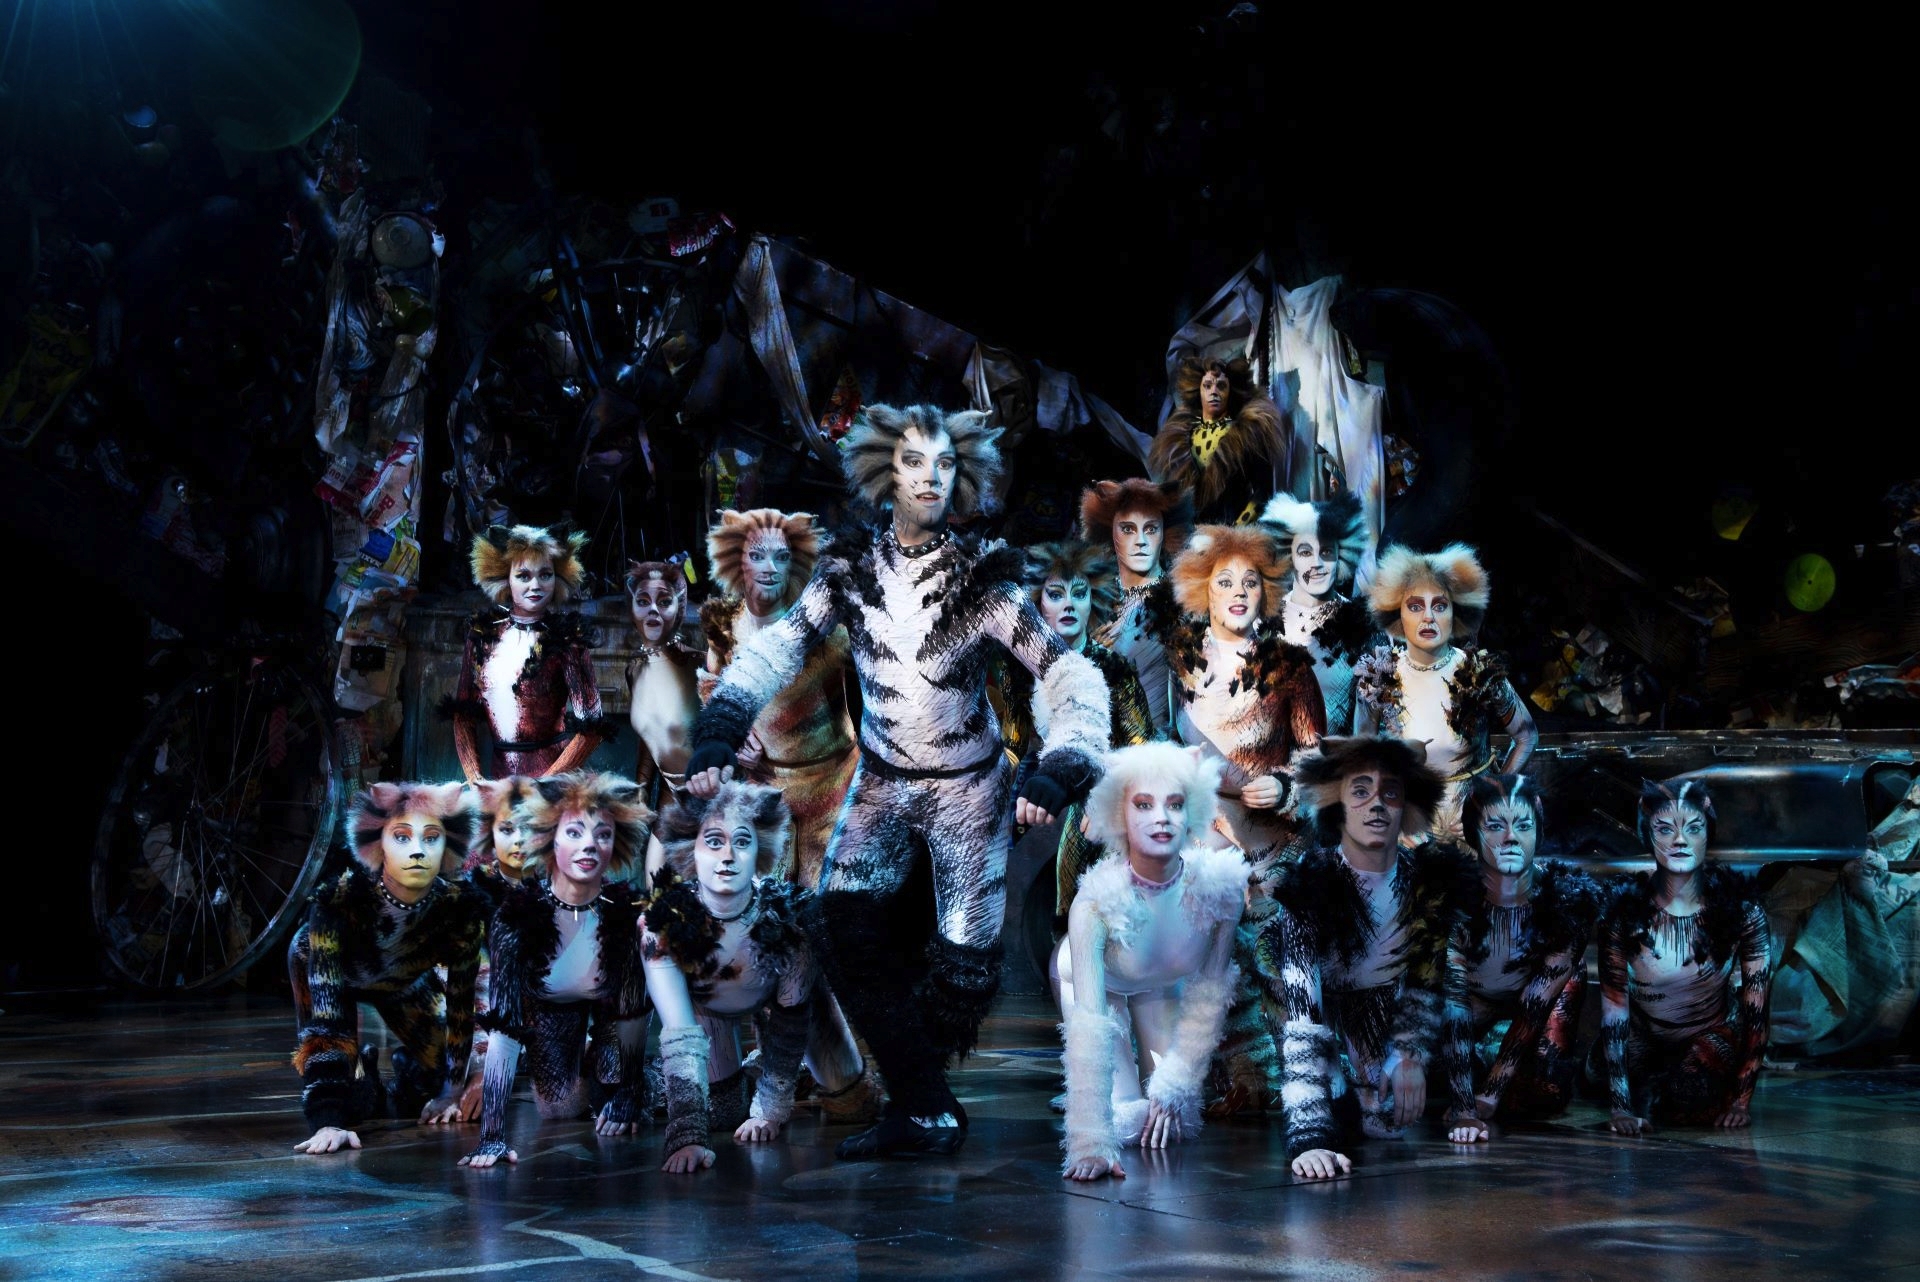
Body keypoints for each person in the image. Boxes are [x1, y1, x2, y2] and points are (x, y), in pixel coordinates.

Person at [685, 402, 1111, 1159]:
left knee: (963, 972)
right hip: (882, 784)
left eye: (945, 464)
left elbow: (1066, 671)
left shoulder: (984, 581)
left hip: (969, 792)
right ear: (887, 471)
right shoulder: (849, 571)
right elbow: (781, 646)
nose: (930, 478)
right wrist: (722, 721)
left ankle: (921, 1103)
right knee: (835, 921)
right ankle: (924, 1105)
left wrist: (1066, 760)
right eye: (915, 462)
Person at [1254, 736, 1476, 1180]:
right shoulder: (1309, 887)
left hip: (1378, 1008)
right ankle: (1327, 1099)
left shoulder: (1428, 882)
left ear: (1407, 805)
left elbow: (1425, 982)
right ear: (1337, 802)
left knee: (1387, 1123)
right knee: (1333, 1117)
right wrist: (1309, 1134)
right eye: (1360, 790)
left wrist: (1408, 1055)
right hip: (1315, 1013)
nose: (1376, 804)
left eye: (1390, 792)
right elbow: (1301, 1014)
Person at [640, 781, 878, 1173]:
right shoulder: (662, 928)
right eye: (714, 842)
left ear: (760, 850)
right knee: (722, 1114)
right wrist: (687, 1135)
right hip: (709, 1010)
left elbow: (790, 1018)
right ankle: (746, 1071)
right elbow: (680, 1031)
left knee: (855, 1105)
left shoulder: (789, 919)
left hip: (789, 1004)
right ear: (691, 848)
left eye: (742, 842)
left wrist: (771, 1109)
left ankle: (782, 1073)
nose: (728, 856)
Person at [1057, 743, 1247, 1181]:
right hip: (1095, 987)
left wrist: (1178, 1079)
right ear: (1119, 813)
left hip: (1160, 984)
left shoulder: (1220, 887)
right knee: (1126, 1122)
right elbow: (1089, 1025)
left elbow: (1210, 994)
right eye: (1143, 805)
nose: (1161, 817)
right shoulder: (1096, 902)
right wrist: (1089, 1139)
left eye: (1174, 804)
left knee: (1175, 1121)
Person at [459, 771, 654, 1169]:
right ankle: (586, 1064)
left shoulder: (625, 913)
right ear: (550, 838)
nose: (589, 845)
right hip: (547, 1008)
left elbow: (633, 1013)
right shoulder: (515, 918)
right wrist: (492, 1136)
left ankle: (634, 1075)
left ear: (616, 843)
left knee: (618, 1088)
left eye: (602, 834)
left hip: (608, 1012)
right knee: (560, 1108)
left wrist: (629, 1094)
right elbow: (504, 1030)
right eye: (574, 833)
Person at [289, 782, 485, 1155]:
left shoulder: (461, 910)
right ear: (378, 842)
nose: (417, 850)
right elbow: (326, 1026)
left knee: (439, 1081)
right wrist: (328, 1121)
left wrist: (451, 1092)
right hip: (332, 975)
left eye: (431, 838)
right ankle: (355, 1079)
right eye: (402, 837)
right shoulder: (338, 902)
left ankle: (393, 1076)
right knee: (343, 1093)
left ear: (449, 844)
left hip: (402, 981)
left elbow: (461, 1010)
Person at [992, 539, 1155, 926]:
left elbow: (1141, 749)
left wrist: (1108, 802)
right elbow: (1014, 743)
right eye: (1056, 594)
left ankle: (1073, 930)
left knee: (1077, 853)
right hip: (1045, 772)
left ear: (1092, 602)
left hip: (1106, 778)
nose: (1068, 604)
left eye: (1079, 594)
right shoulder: (1019, 669)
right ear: (1039, 604)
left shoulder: (1114, 669)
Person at [698, 509, 860, 888]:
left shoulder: (825, 625)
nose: (770, 568)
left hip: (834, 783)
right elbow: (714, 688)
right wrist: (735, 739)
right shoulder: (724, 628)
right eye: (757, 555)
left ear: (796, 562)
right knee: (767, 896)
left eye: (781, 556)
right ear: (736, 560)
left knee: (826, 895)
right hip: (766, 787)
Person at [1602, 779, 1770, 1136]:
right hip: (1645, 1032)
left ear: (1708, 834)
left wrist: (1741, 1100)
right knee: (1586, 1078)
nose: (1680, 840)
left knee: (1687, 1099)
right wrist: (1620, 1107)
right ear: (1648, 836)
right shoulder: (1624, 912)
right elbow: (1614, 1007)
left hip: (1709, 1030)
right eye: (1665, 830)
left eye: (1693, 829)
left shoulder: (1742, 910)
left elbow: (1756, 1012)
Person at [1440, 774, 1601, 1142]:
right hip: (1475, 1002)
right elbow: (1454, 1003)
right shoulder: (1451, 901)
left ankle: (1588, 1068)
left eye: (1523, 826)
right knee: (1432, 1070)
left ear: (1537, 829)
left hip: (1533, 1007)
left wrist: (1489, 1096)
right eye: (1496, 826)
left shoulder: (1567, 903)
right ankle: (1482, 1059)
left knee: (1545, 1092)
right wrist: (1465, 1109)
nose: (1510, 838)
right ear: (1474, 832)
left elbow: (1534, 1007)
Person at [1354, 543, 1537, 837]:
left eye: (1439, 606)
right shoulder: (1378, 678)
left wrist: (1491, 801)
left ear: (1456, 612)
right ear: (1397, 613)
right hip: (1405, 831)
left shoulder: (1479, 673)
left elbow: (1527, 736)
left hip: (1470, 830)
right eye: (1415, 606)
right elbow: (1361, 756)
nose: (1428, 617)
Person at [450, 524, 615, 782]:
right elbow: (463, 716)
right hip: (498, 784)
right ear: (506, 577)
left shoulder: (567, 639)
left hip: (553, 785)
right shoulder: (482, 635)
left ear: (558, 577)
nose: (536, 585)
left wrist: (543, 785)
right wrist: (475, 781)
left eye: (545, 574)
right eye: (524, 576)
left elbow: (592, 728)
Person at [1079, 478, 1193, 736]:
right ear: (1111, 532)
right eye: (1128, 529)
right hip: (1094, 736)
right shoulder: (1089, 598)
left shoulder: (1182, 602)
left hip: (1156, 745)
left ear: (1165, 533)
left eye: (1150, 529)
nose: (1140, 540)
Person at [1260, 490, 1379, 734]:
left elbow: (1370, 724)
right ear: (1289, 556)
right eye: (1305, 552)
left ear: (1340, 555)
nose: (1317, 563)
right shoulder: (1263, 621)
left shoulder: (1363, 625)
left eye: (1326, 552)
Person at [1149, 354, 1286, 526]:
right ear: (1198, 391)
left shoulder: (1248, 435)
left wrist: (1236, 530)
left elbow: (1262, 493)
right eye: (1207, 386)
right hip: (1190, 532)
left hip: (1233, 531)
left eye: (1221, 386)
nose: (1214, 392)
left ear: (1231, 392)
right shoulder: (1178, 440)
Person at [625, 558, 704, 813]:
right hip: (668, 797)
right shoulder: (635, 667)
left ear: (679, 607)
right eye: (643, 601)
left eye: (664, 602)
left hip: (707, 797)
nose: (653, 610)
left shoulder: (700, 664)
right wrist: (641, 789)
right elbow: (650, 736)